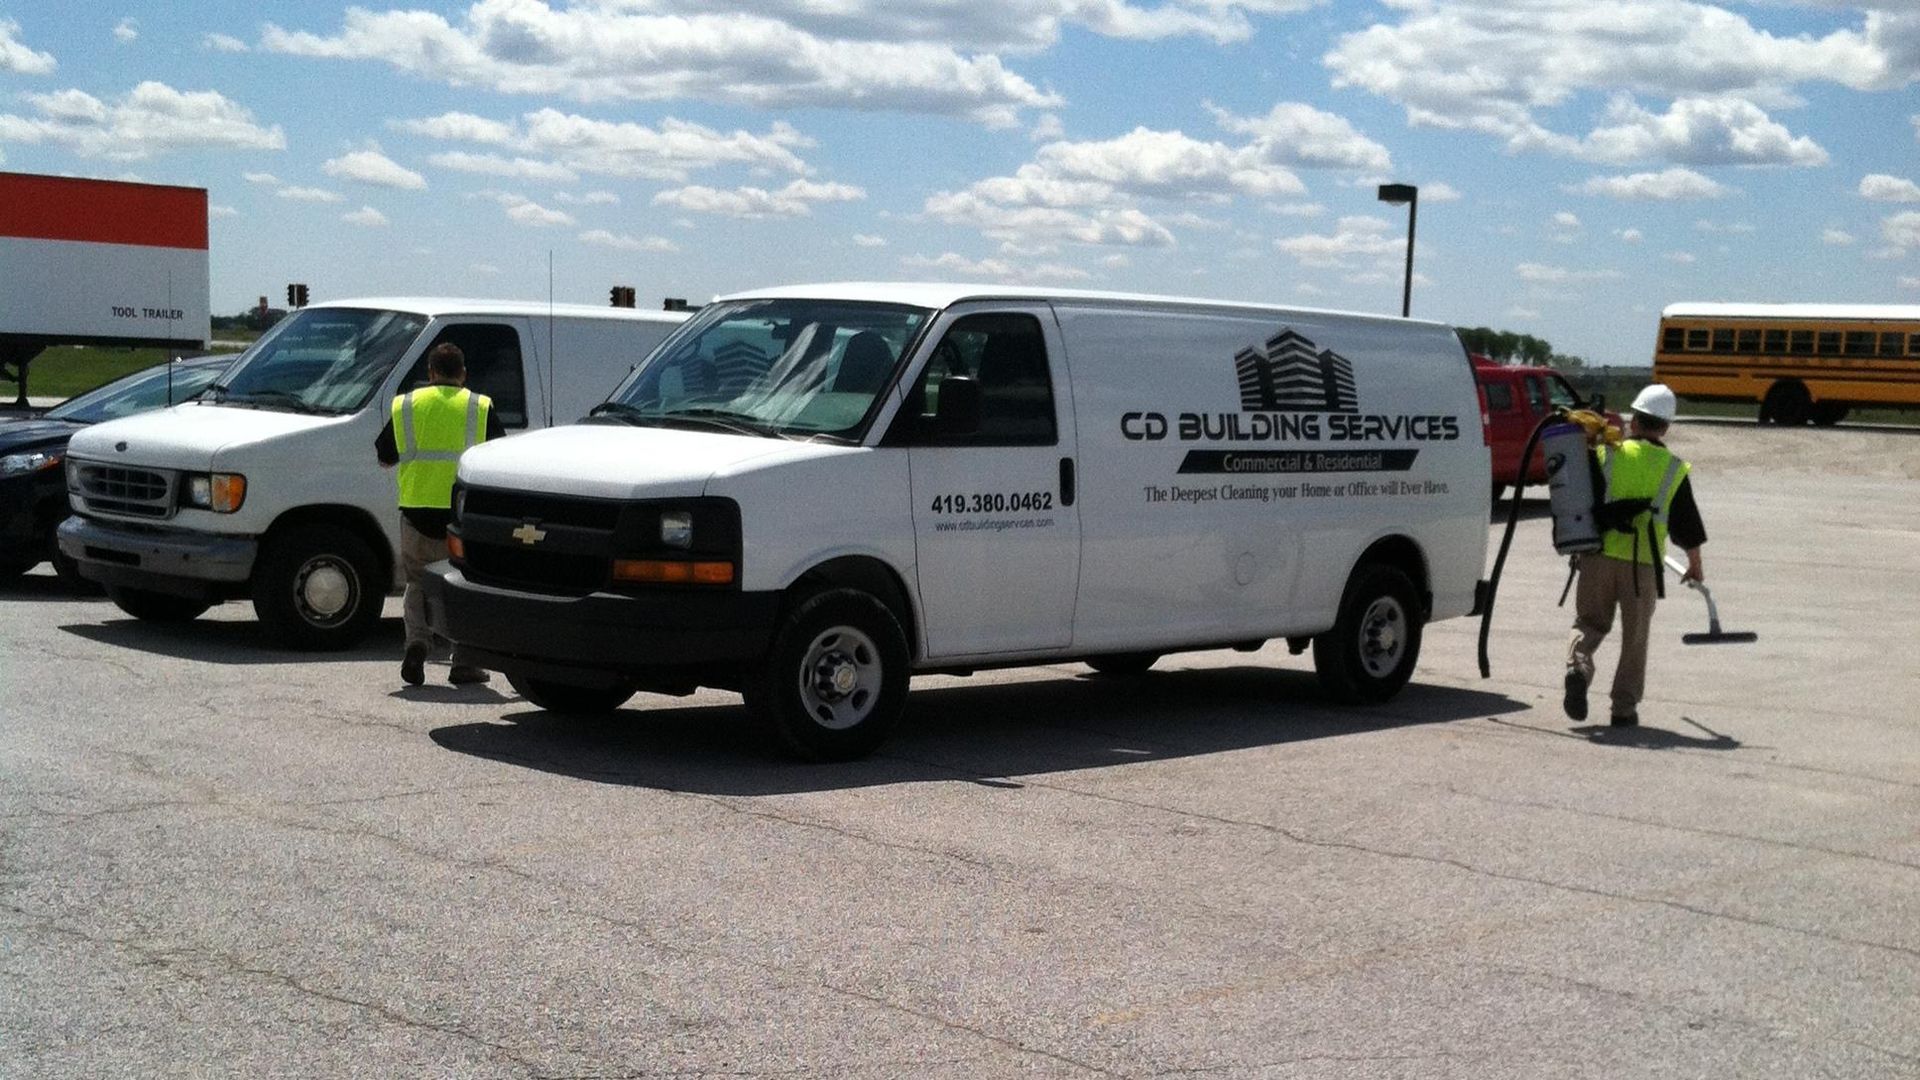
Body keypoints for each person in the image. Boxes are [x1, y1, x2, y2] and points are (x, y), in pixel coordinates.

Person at [1564, 383, 1707, 727]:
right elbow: (1686, 523)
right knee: (1635, 639)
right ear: (1666, 427)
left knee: (1589, 624)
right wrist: (1695, 565)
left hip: (1598, 558)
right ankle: (1623, 710)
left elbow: (1584, 503)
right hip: (1642, 568)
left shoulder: (1606, 454)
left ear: (1634, 420)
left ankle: (1578, 670)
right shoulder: (1673, 469)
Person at [375, 342, 503, 686]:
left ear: (430, 373)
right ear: (462, 374)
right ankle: (463, 662)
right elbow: (499, 458)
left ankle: (417, 644)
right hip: (461, 516)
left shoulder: (406, 406)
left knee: (417, 583)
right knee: (465, 587)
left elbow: (384, 457)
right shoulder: (479, 406)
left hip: (416, 513)